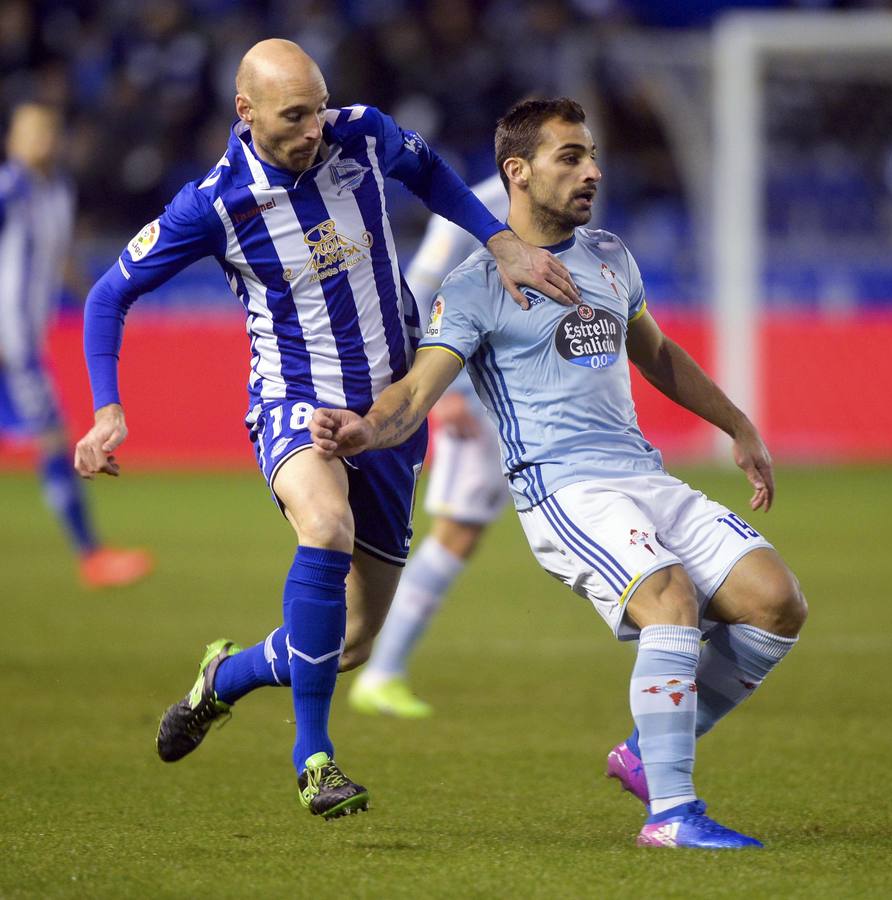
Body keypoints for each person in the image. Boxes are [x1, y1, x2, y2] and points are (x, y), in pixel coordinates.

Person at [73, 40, 581, 820]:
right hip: (294, 402)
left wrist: (501, 240)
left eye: (318, 106)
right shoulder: (212, 204)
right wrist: (109, 408)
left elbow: (434, 173)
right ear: (245, 113)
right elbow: (108, 296)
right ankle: (314, 757)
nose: (315, 127)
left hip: (388, 412)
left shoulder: (364, 133)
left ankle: (226, 679)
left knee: (354, 643)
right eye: (294, 115)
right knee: (326, 522)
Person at [312, 98, 807, 849]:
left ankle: (646, 749)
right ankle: (672, 815)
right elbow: (415, 392)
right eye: (570, 157)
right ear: (519, 170)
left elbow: (659, 354)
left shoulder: (610, 255)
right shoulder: (476, 284)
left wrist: (737, 426)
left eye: (592, 156)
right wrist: (364, 429)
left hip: (643, 473)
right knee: (668, 599)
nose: (593, 172)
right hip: (563, 488)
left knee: (777, 603)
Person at [348, 173, 510, 718]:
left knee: (467, 531)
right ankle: (381, 670)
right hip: (477, 395)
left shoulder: (549, 204)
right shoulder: (479, 206)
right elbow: (416, 290)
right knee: (458, 532)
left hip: (514, 391)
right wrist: (446, 391)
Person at [0, 103, 153, 589]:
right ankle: (90, 555)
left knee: (50, 436)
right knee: (51, 435)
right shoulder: (10, 189)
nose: (43, 138)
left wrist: (97, 301)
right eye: (32, 130)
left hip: (24, 336)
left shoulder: (59, 191)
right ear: (12, 141)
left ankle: (91, 554)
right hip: (11, 338)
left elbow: (61, 257)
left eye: (49, 128)